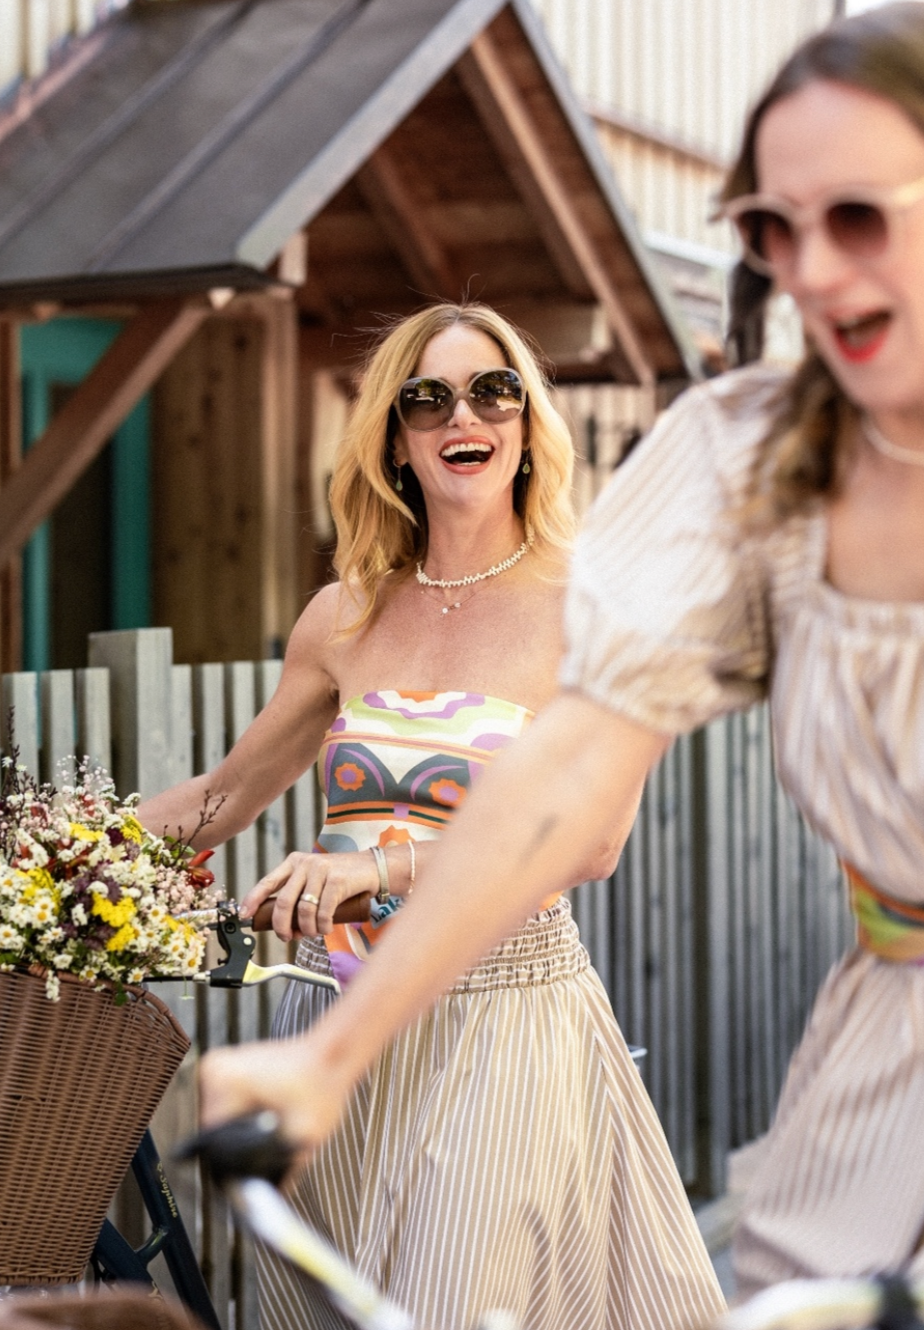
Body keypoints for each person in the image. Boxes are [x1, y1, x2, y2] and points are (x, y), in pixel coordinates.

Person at [198, 2, 924, 1303]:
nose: (811, 269)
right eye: (774, 229)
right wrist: (332, 1051)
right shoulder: (737, 454)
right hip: (884, 1023)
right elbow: (569, 782)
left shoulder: (585, 574)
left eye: (858, 217)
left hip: (528, 1020)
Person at [140, 302, 724, 1330]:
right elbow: (219, 800)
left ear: (530, 422)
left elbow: (591, 839)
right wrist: (52, 861)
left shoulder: (603, 608)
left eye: (495, 388)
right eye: (429, 397)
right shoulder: (347, 613)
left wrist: (385, 868)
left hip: (499, 1021)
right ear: (396, 442)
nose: (467, 412)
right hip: (329, 1018)